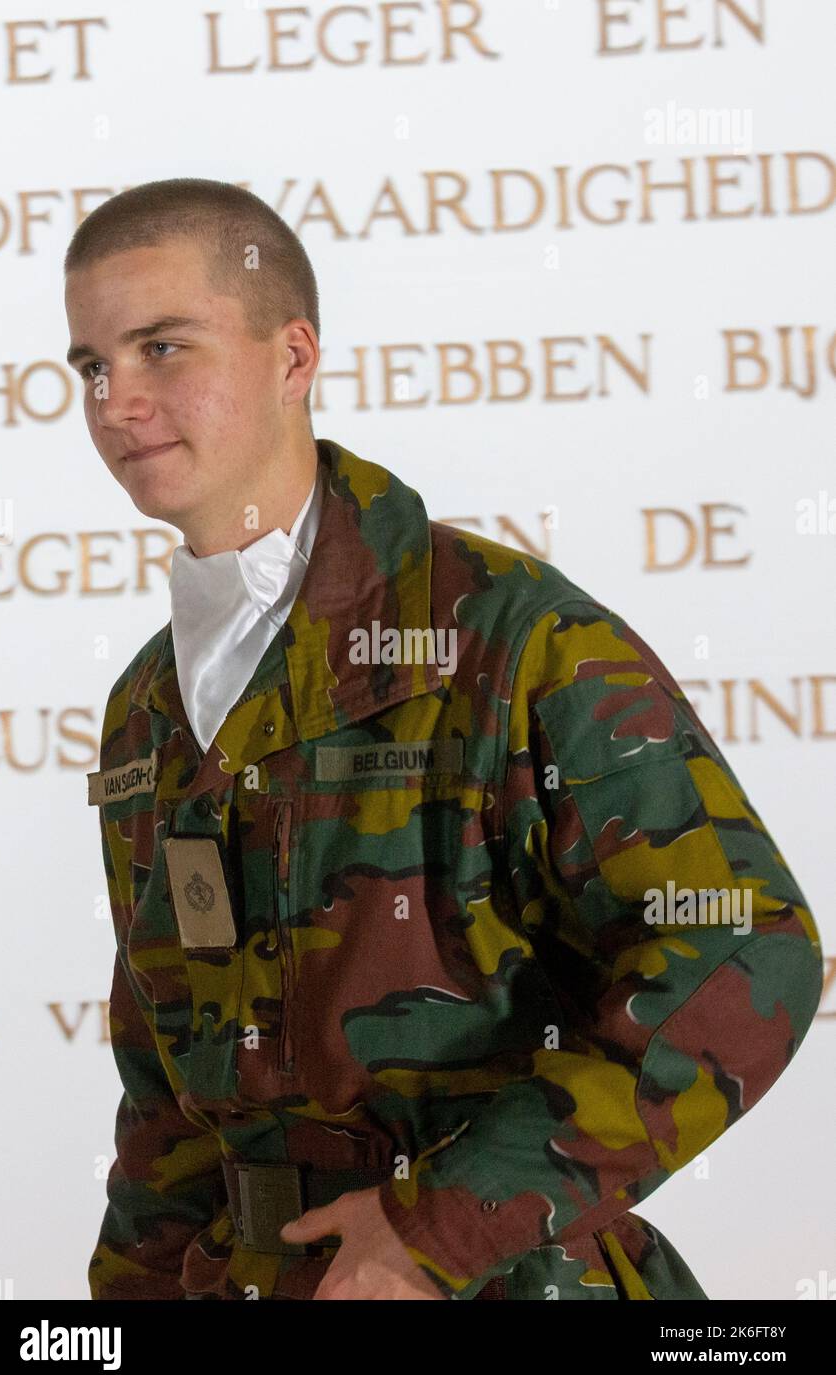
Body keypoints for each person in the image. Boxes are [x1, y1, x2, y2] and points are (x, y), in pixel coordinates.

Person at [66, 178, 823, 1302]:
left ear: (291, 358)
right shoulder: (148, 709)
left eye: (161, 348)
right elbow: (168, 1092)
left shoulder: (503, 636)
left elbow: (744, 946)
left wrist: (441, 1226)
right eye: (90, 365)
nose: (117, 401)